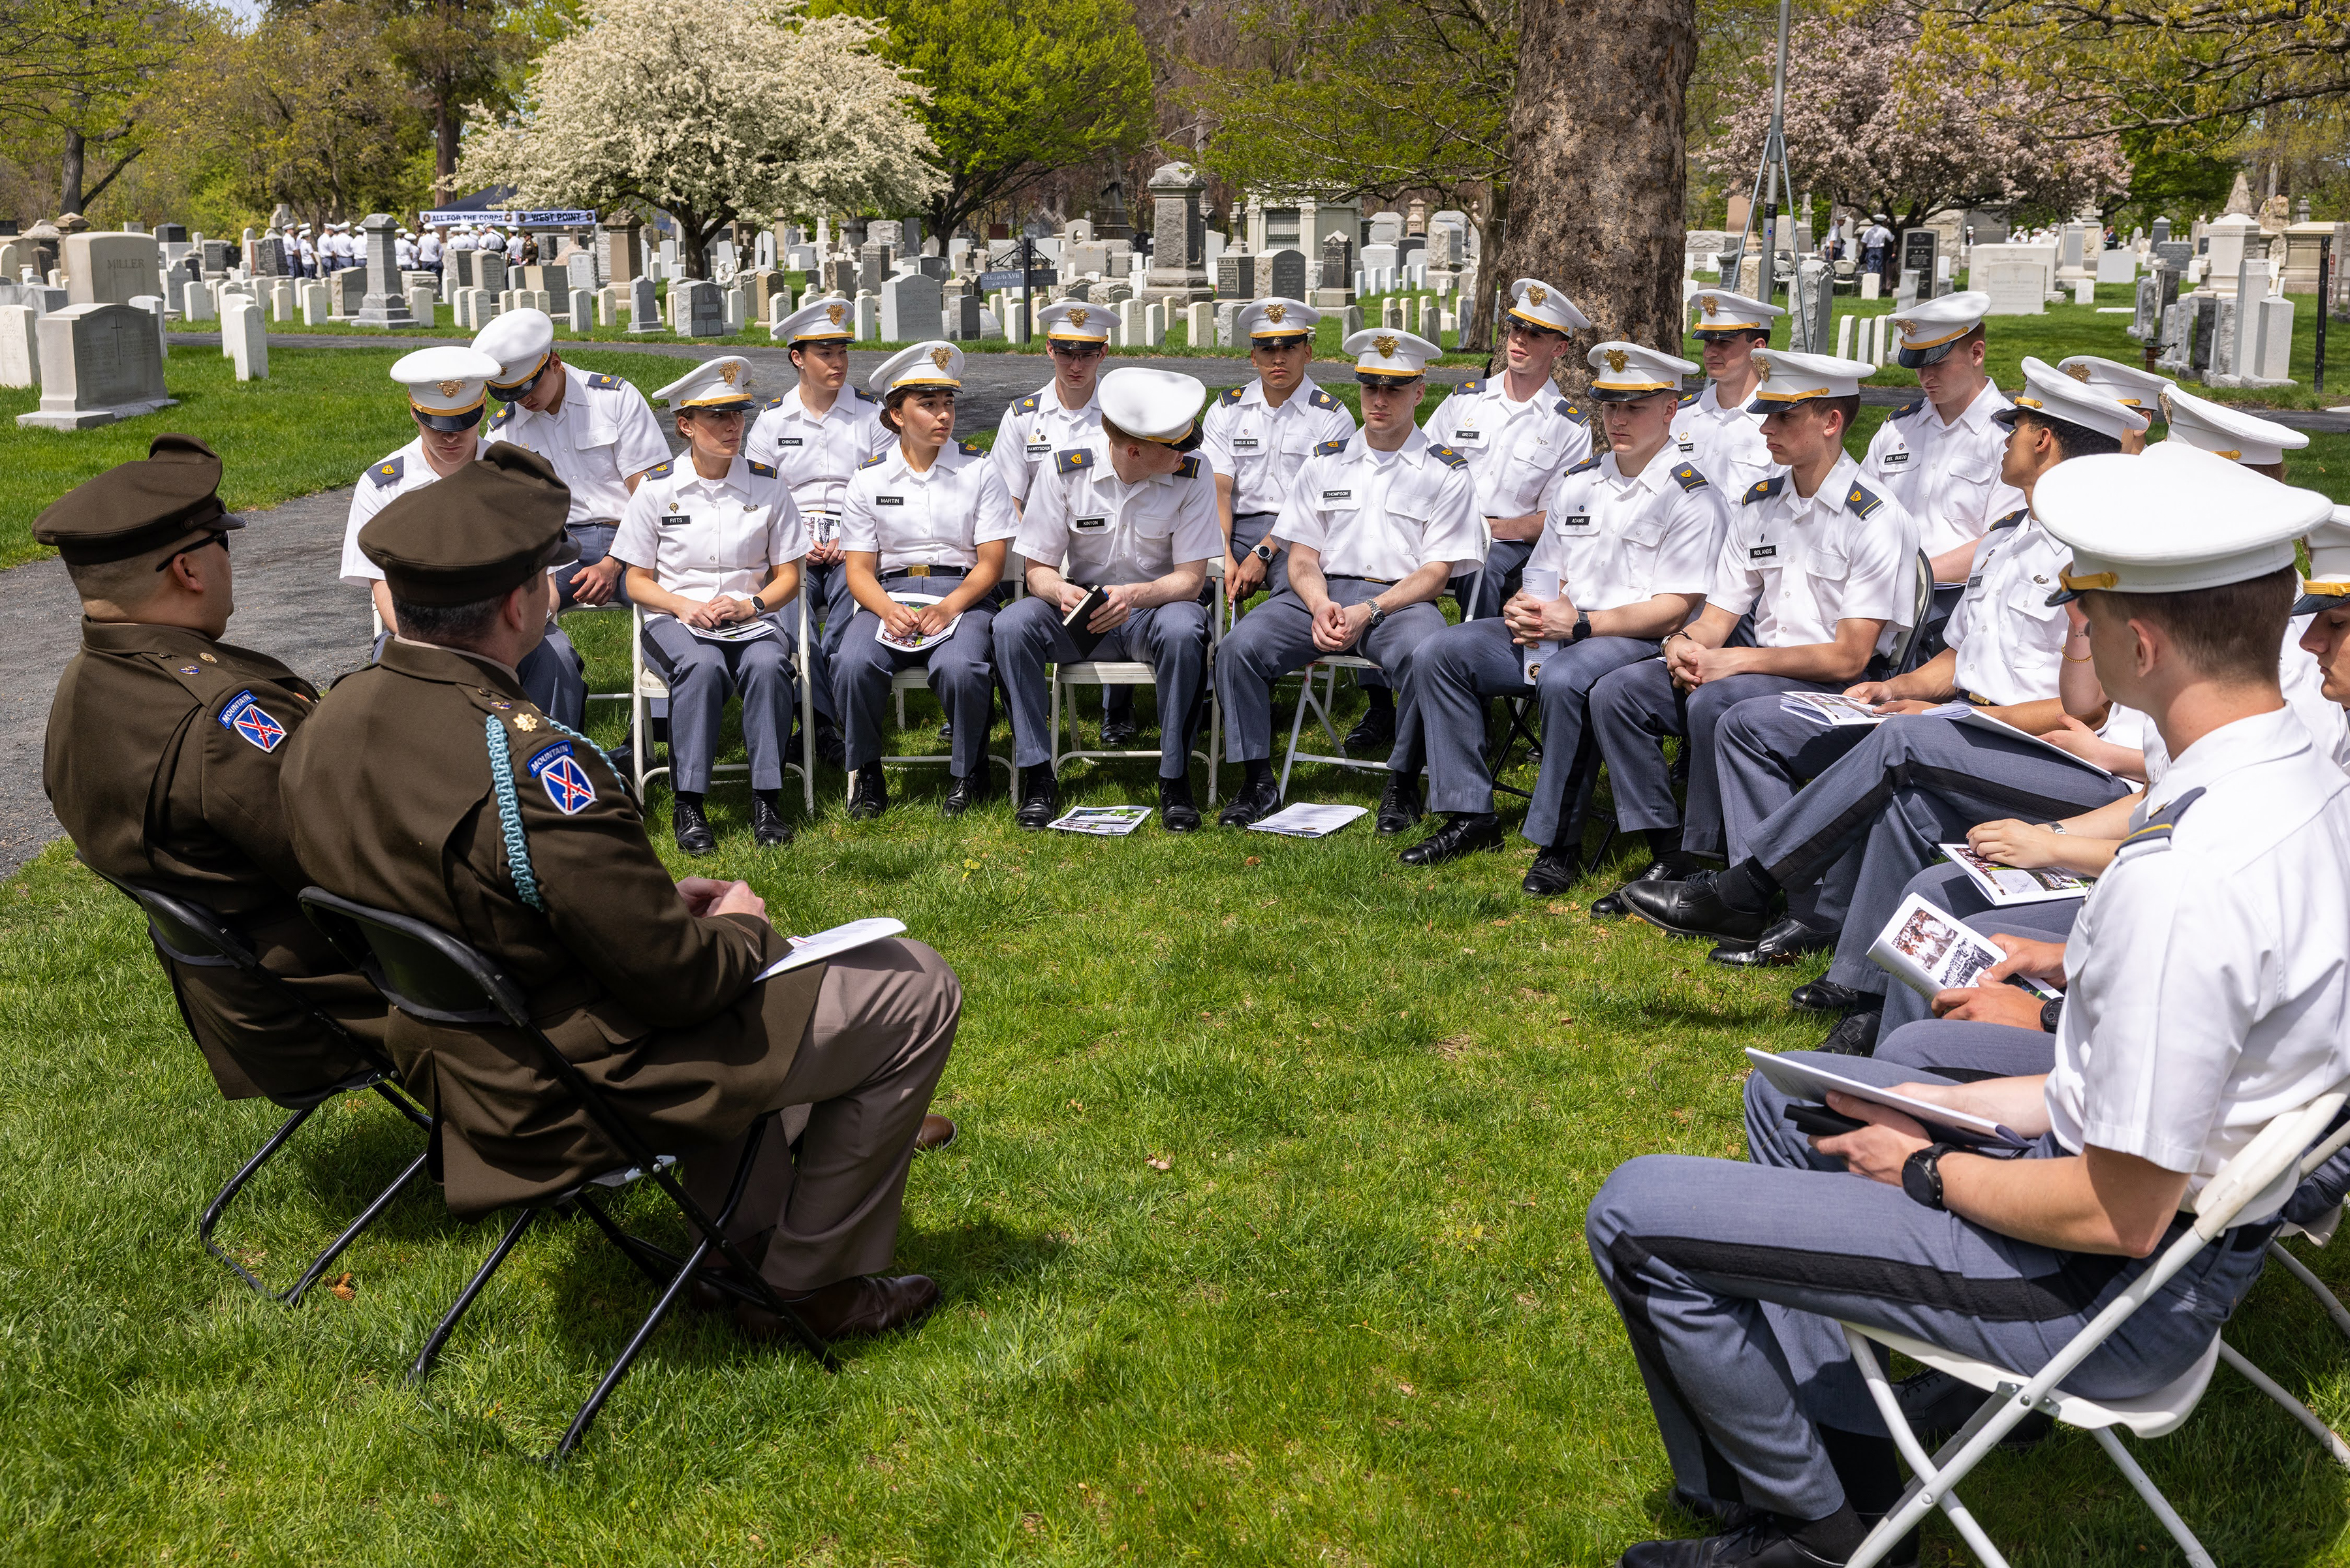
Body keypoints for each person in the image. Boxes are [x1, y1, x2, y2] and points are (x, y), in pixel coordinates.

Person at [1586, 448, 2349, 1567]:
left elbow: (2117, 1211)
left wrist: (1927, 1166)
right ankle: (1844, 1447)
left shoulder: (2193, 872)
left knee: (1634, 1208)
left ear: (2140, 643)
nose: (2071, 632)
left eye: (2084, 608)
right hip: (2168, 1231)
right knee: (1801, 1102)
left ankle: (1819, 1529)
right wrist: (1968, 1094)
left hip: (2104, 1297)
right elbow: (2189, 1090)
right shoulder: (2300, 787)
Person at [283, 444, 960, 1343]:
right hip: (574, 1080)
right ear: (525, 600)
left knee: (756, 963)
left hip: (462, 1059)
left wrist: (633, 912)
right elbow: (677, 983)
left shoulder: (329, 718)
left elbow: (461, 893)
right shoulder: (531, 761)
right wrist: (746, 930)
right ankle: (806, 1283)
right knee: (913, 982)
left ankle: (736, 1243)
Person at [1651, 359, 2144, 998]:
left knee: (1902, 746)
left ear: (2043, 440)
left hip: (2051, 749)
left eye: (2014, 426)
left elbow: (2089, 711)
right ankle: (1844, 961)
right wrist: (1899, 690)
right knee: (1754, 724)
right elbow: (1959, 659)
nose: (2004, 439)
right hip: (1966, 727)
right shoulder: (2006, 537)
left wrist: (1947, 721)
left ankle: (1746, 886)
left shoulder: (2100, 553)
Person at [38, 434, 385, 1102]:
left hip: (242, 1003)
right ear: (190, 570)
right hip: (331, 1002)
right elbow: (357, 866)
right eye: (223, 545)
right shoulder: (221, 721)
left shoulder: (84, 686)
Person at [1586, 349, 1915, 915]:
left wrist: (1730, 664)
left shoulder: (1877, 518)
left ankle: (1741, 883)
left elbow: (1849, 658)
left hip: (1841, 692)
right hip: (1759, 669)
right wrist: (1683, 647)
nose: (1765, 427)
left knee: (1719, 700)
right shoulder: (1760, 505)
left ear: (1831, 422)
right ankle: (1670, 850)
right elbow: (1717, 618)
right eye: (1767, 413)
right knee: (1619, 691)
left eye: (1785, 416)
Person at [1385, 342, 1724, 886]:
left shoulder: (1692, 497)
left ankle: (1557, 842)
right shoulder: (1581, 481)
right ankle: (1470, 813)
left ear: (1670, 410)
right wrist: (1529, 604)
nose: (1618, 419)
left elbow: (1676, 609)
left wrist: (1582, 624)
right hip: (1563, 627)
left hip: (1633, 639)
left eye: (1635, 406)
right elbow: (1550, 570)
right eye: (1610, 406)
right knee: (1441, 653)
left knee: (1565, 679)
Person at [1213, 329, 1484, 829]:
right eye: (1369, 387)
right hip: (1319, 593)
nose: (1379, 400)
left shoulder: (1445, 472)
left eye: (1394, 389)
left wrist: (1370, 611)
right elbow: (1301, 556)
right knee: (1239, 648)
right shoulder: (1325, 461)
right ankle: (1257, 780)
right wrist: (1318, 604)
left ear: (1420, 392)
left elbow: (1436, 572)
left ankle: (1403, 783)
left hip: (1400, 602)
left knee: (1430, 658)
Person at [995, 367, 1221, 832]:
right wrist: (1060, 590)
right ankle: (1039, 775)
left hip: (1155, 611)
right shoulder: (1066, 469)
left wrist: (1135, 595)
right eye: (1176, 447)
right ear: (1135, 449)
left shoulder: (1193, 475)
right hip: (1079, 618)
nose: (1188, 453)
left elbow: (1192, 580)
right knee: (1010, 625)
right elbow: (1036, 569)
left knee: (1186, 628)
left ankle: (1175, 780)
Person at [611, 356, 812, 856]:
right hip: (675, 617)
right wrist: (681, 606)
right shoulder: (657, 489)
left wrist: (754, 605)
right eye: (716, 416)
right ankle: (690, 804)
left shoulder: (767, 484)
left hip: (751, 617)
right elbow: (635, 581)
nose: (732, 426)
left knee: (769, 666)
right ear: (685, 424)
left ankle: (767, 799)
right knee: (700, 667)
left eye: (737, 414)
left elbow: (790, 576)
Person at [339, 345, 588, 729]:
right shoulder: (384, 485)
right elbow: (383, 590)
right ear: (413, 412)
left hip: (511, 625)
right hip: (418, 631)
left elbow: (548, 588)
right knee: (387, 672)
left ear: (483, 410)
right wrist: (438, 644)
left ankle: (552, 771)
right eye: (436, 424)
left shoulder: (517, 476)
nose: (450, 438)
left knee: (556, 657)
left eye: (464, 422)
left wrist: (500, 638)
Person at [836, 341, 1016, 820]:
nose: (943, 416)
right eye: (928, 405)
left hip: (963, 594)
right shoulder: (868, 480)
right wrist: (885, 609)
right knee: (853, 662)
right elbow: (858, 569)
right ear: (896, 414)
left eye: (948, 404)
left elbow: (992, 563)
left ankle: (969, 771)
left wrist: (949, 607)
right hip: (889, 595)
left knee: (959, 668)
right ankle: (867, 774)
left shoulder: (979, 470)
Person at [745, 297, 894, 766]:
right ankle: (822, 723)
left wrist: (850, 536)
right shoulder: (771, 422)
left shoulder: (875, 418)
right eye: (824, 353)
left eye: (842, 352)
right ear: (797, 358)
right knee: (791, 605)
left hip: (859, 547)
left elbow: (887, 488)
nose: (837, 363)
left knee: (853, 610)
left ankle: (815, 720)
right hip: (793, 547)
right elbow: (757, 497)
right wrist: (794, 542)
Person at [1417, 277, 1593, 633]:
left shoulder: (1569, 426)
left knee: (1483, 564)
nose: (1520, 339)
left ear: (1559, 349)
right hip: (1438, 523)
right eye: (1516, 328)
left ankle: (1467, 662)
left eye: (1536, 334)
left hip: (1507, 541)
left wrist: (1489, 530)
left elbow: (1553, 518)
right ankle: (1380, 677)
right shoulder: (1465, 400)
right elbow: (1420, 465)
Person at [475, 308, 670, 611]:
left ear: (554, 363)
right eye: (511, 394)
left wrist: (614, 563)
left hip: (631, 537)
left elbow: (650, 496)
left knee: (670, 600)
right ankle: (556, 658)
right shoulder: (505, 429)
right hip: (557, 548)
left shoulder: (615, 399)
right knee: (512, 611)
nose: (523, 400)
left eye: (529, 387)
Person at [992, 300, 1124, 741]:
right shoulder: (1022, 416)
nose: (1076, 364)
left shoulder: (1120, 414)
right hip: (1039, 543)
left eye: (1087, 354)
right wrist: (1039, 545)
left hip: (1105, 542)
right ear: (1049, 349)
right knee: (991, 599)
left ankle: (1118, 707)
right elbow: (1006, 494)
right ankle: (988, 699)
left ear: (1104, 353)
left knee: (1121, 577)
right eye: (1067, 352)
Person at [1858, 292, 2026, 638]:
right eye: (1918, 364)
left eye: (1937, 363)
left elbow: (2002, 541)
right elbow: (1857, 513)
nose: (1925, 376)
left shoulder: (2008, 439)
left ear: (1977, 353)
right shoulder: (1898, 429)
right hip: (1876, 589)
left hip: (1957, 600)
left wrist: (1912, 578)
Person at [1200, 296, 1356, 606]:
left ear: (1307, 353)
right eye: (1268, 349)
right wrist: (1223, 553)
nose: (1278, 359)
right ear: (1253, 357)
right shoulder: (1226, 409)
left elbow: (1319, 503)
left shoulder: (1332, 417)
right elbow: (1218, 489)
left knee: (1296, 592)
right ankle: (1202, 643)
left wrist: (1264, 552)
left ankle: (1255, 643)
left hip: (1300, 532)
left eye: (1289, 348)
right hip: (1235, 525)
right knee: (1193, 582)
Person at [1672, 290, 1783, 497]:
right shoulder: (1681, 417)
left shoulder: (1781, 421)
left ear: (1758, 348)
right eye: (1707, 342)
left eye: (1724, 343)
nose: (1709, 353)